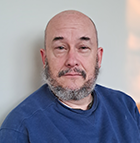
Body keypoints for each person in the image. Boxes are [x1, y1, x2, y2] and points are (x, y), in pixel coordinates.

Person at [0, 10, 140, 143]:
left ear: (98, 57)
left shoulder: (125, 106)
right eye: (61, 48)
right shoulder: (19, 128)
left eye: (83, 47)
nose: (72, 61)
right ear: (45, 58)